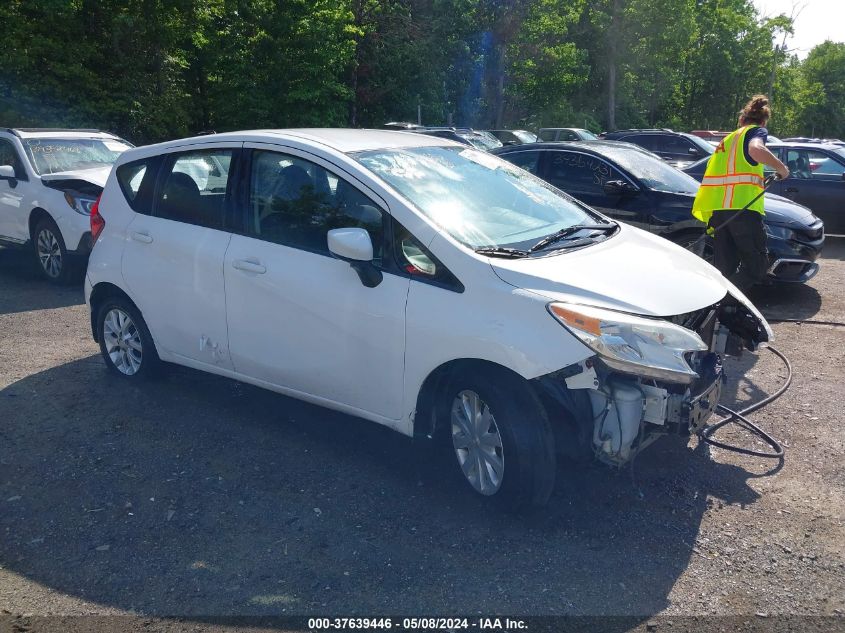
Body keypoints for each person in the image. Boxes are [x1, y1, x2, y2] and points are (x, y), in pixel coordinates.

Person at [691, 95, 790, 291]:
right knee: (756, 267)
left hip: (719, 212)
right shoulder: (756, 132)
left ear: (741, 120)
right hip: (742, 211)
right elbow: (756, 150)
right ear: (762, 121)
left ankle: (719, 312)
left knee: (724, 268)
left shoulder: (727, 141)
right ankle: (727, 301)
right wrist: (782, 169)